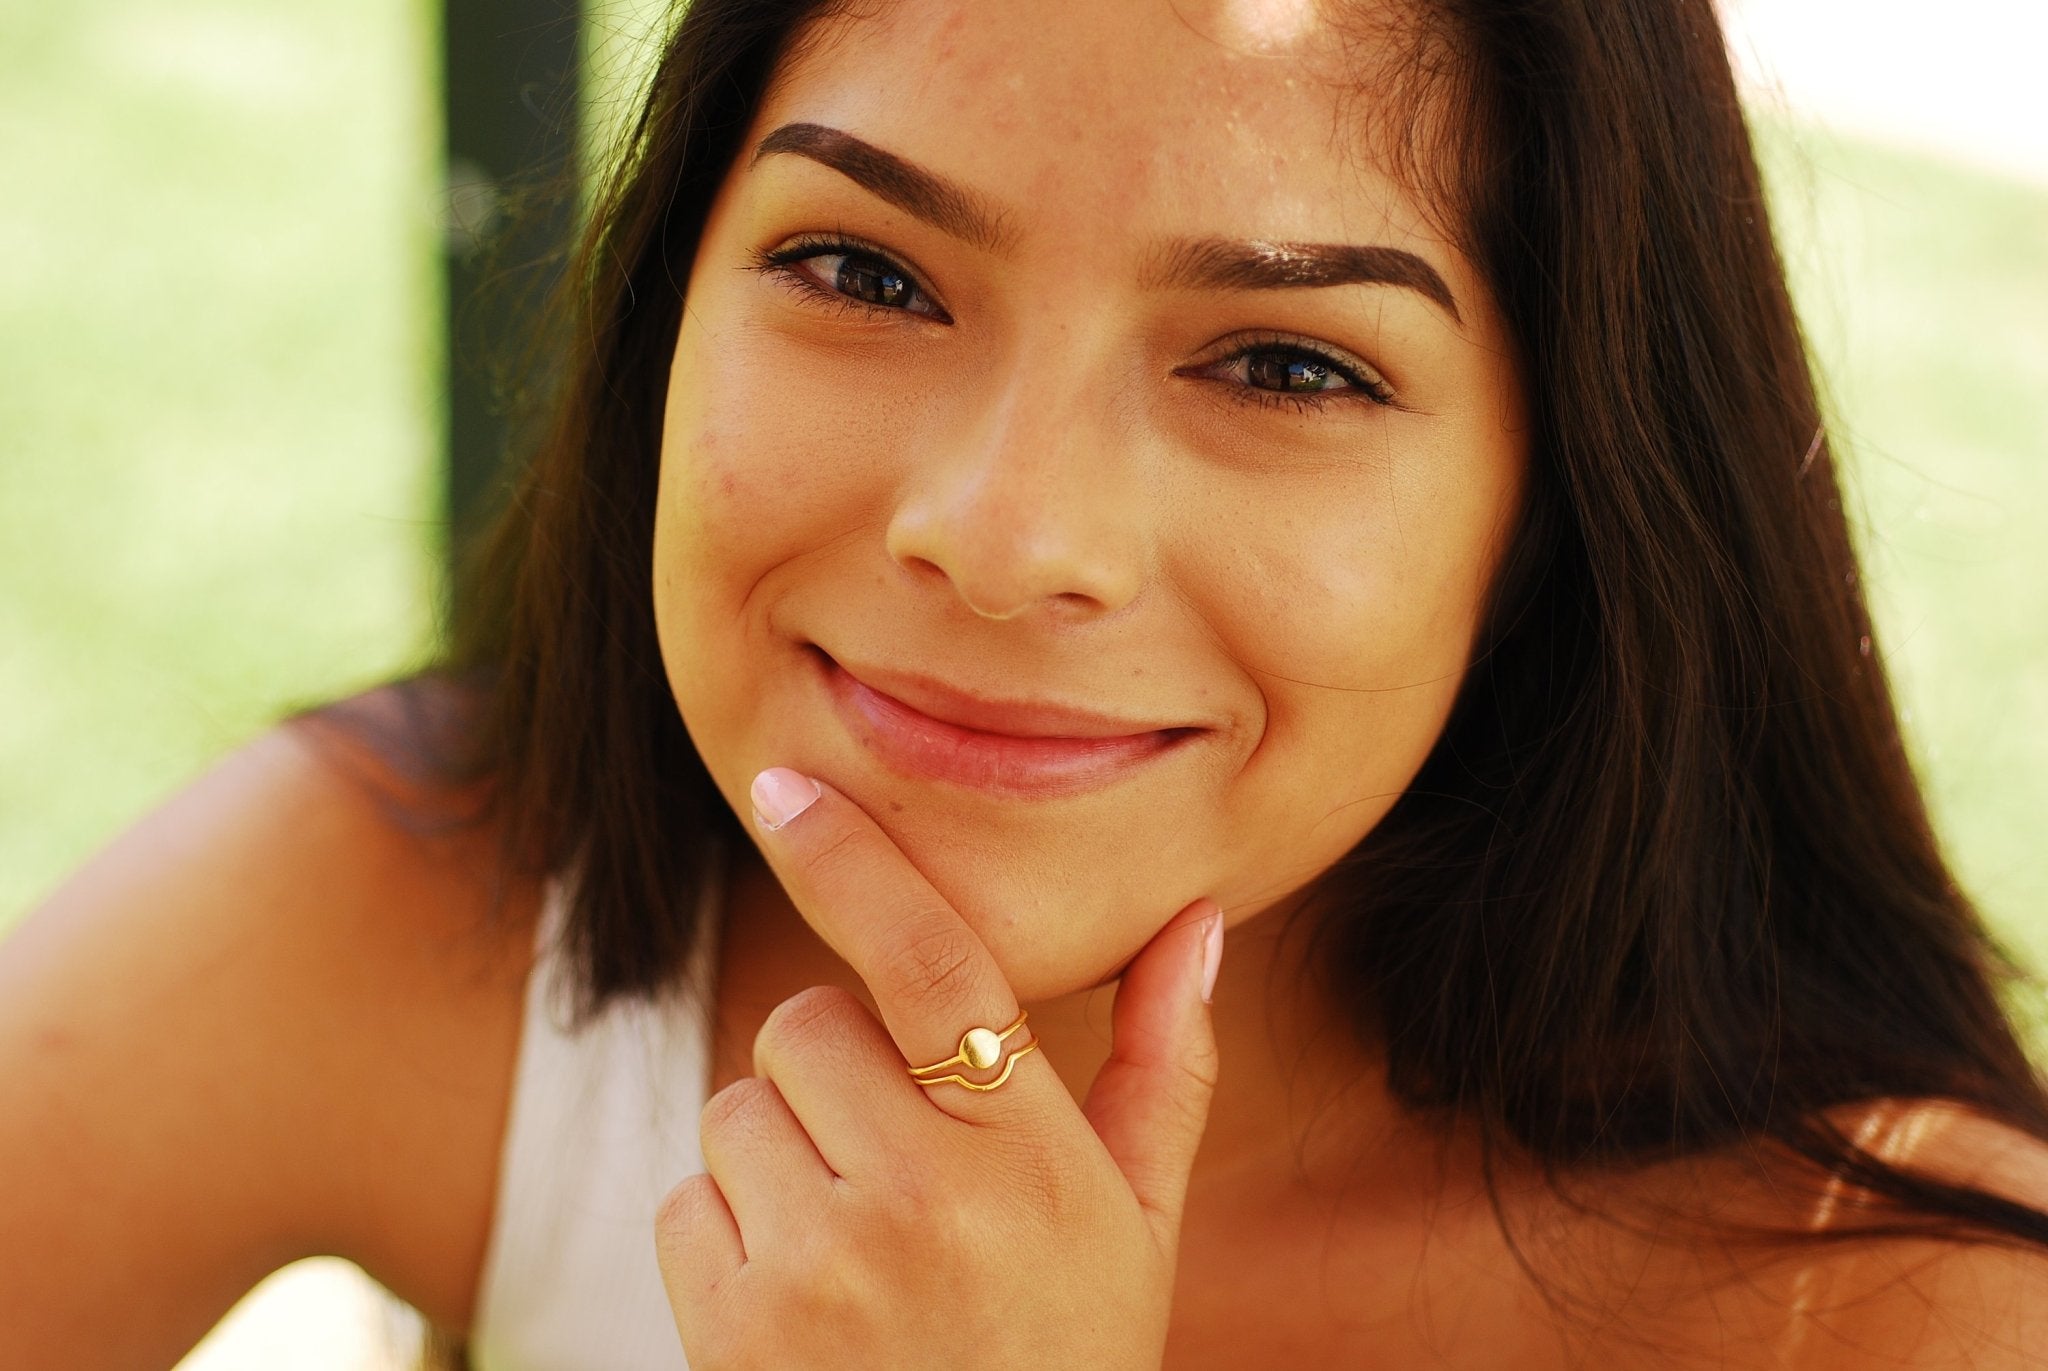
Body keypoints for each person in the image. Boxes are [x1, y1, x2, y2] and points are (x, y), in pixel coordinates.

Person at [4, 0, 2046, 1365]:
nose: (1001, 532)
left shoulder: (1895, 1303)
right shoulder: (414, 906)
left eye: (1283, 364)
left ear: (1561, 504)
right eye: (863, 271)